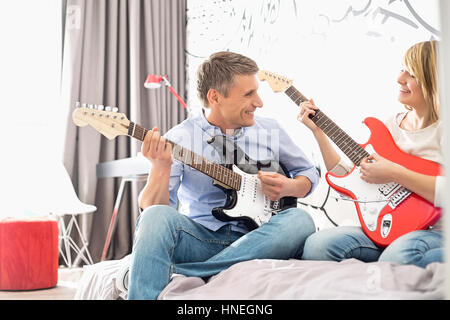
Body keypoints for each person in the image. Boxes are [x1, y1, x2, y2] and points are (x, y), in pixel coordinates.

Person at [128, 51, 320, 299]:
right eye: (249, 94)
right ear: (215, 96)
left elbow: (308, 173)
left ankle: (192, 271)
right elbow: (157, 213)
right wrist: (160, 168)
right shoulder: (180, 138)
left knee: (300, 220)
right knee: (154, 215)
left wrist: (289, 187)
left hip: (261, 236)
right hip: (202, 239)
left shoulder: (270, 129)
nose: (259, 103)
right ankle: (217, 268)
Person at [298, 40, 444, 268]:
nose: (399, 79)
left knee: (397, 258)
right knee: (318, 245)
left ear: (435, 81)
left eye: (411, 73)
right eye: (402, 68)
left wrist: (395, 173)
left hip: (436, 231)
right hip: (386, 227)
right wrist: (319, 133)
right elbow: (352, 173)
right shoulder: (390, 126)